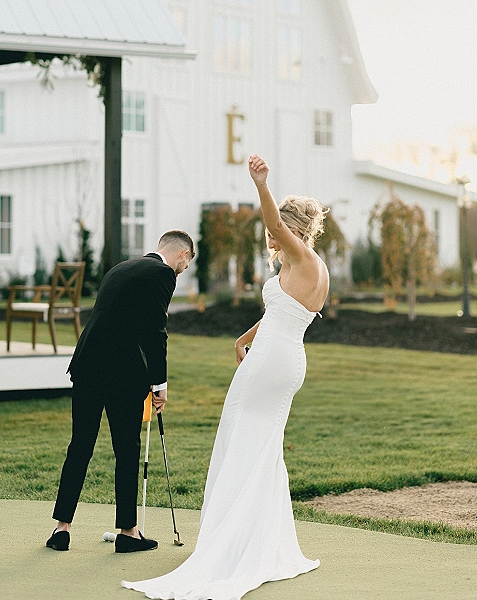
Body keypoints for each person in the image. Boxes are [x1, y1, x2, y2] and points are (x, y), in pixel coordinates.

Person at [122, 154, 329, 600]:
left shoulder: (300, 255)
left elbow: (274, 225)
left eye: (277, 232)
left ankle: (230, 545)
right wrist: (243, 336)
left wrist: (261, 185)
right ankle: (260, 541)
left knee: (239, 441)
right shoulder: (303, 269)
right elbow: (284, 310)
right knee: (261, 448)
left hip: (272, 361)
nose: (271, 240)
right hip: (283, 356)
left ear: (291, 229)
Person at [46, 230, 195, 553]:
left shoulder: (122, 267)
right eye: (185, 265)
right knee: (126, 450)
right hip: (122, 374)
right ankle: (128, 533)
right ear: (183, 255)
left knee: (80, 445)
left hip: (87, 365)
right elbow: (155, 331)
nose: (182, 272)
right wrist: (160, 383)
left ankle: (61, 529)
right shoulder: (162, 274)